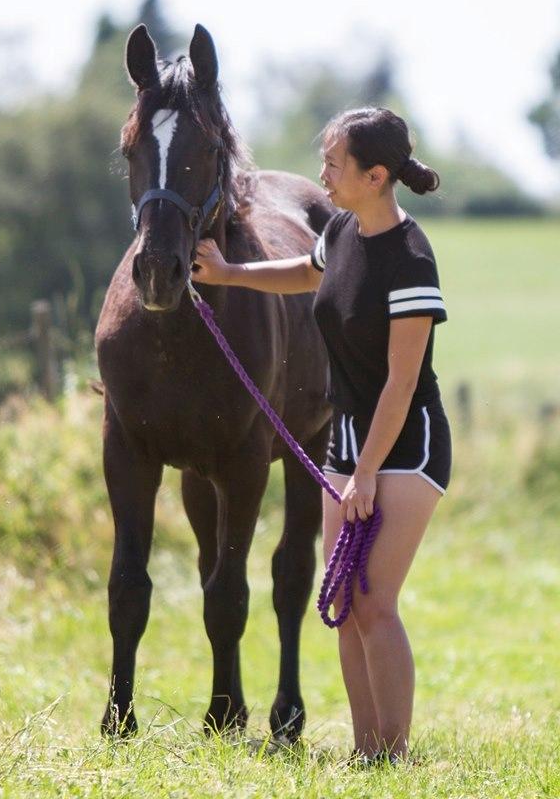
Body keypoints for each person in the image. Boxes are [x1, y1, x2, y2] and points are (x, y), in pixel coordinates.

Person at [191, 106, 451, 764]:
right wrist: (229, 275)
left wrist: (365, 473)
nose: (323, 174)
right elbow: (306, 274)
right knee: (344, 598)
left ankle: (394, 757)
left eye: (335, 164)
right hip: (350, 443)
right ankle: (368, 753)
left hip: (406, 446)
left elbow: (401, 382)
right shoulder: (340, 232)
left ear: (375, 174)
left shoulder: (411, 258)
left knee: (375, 602)